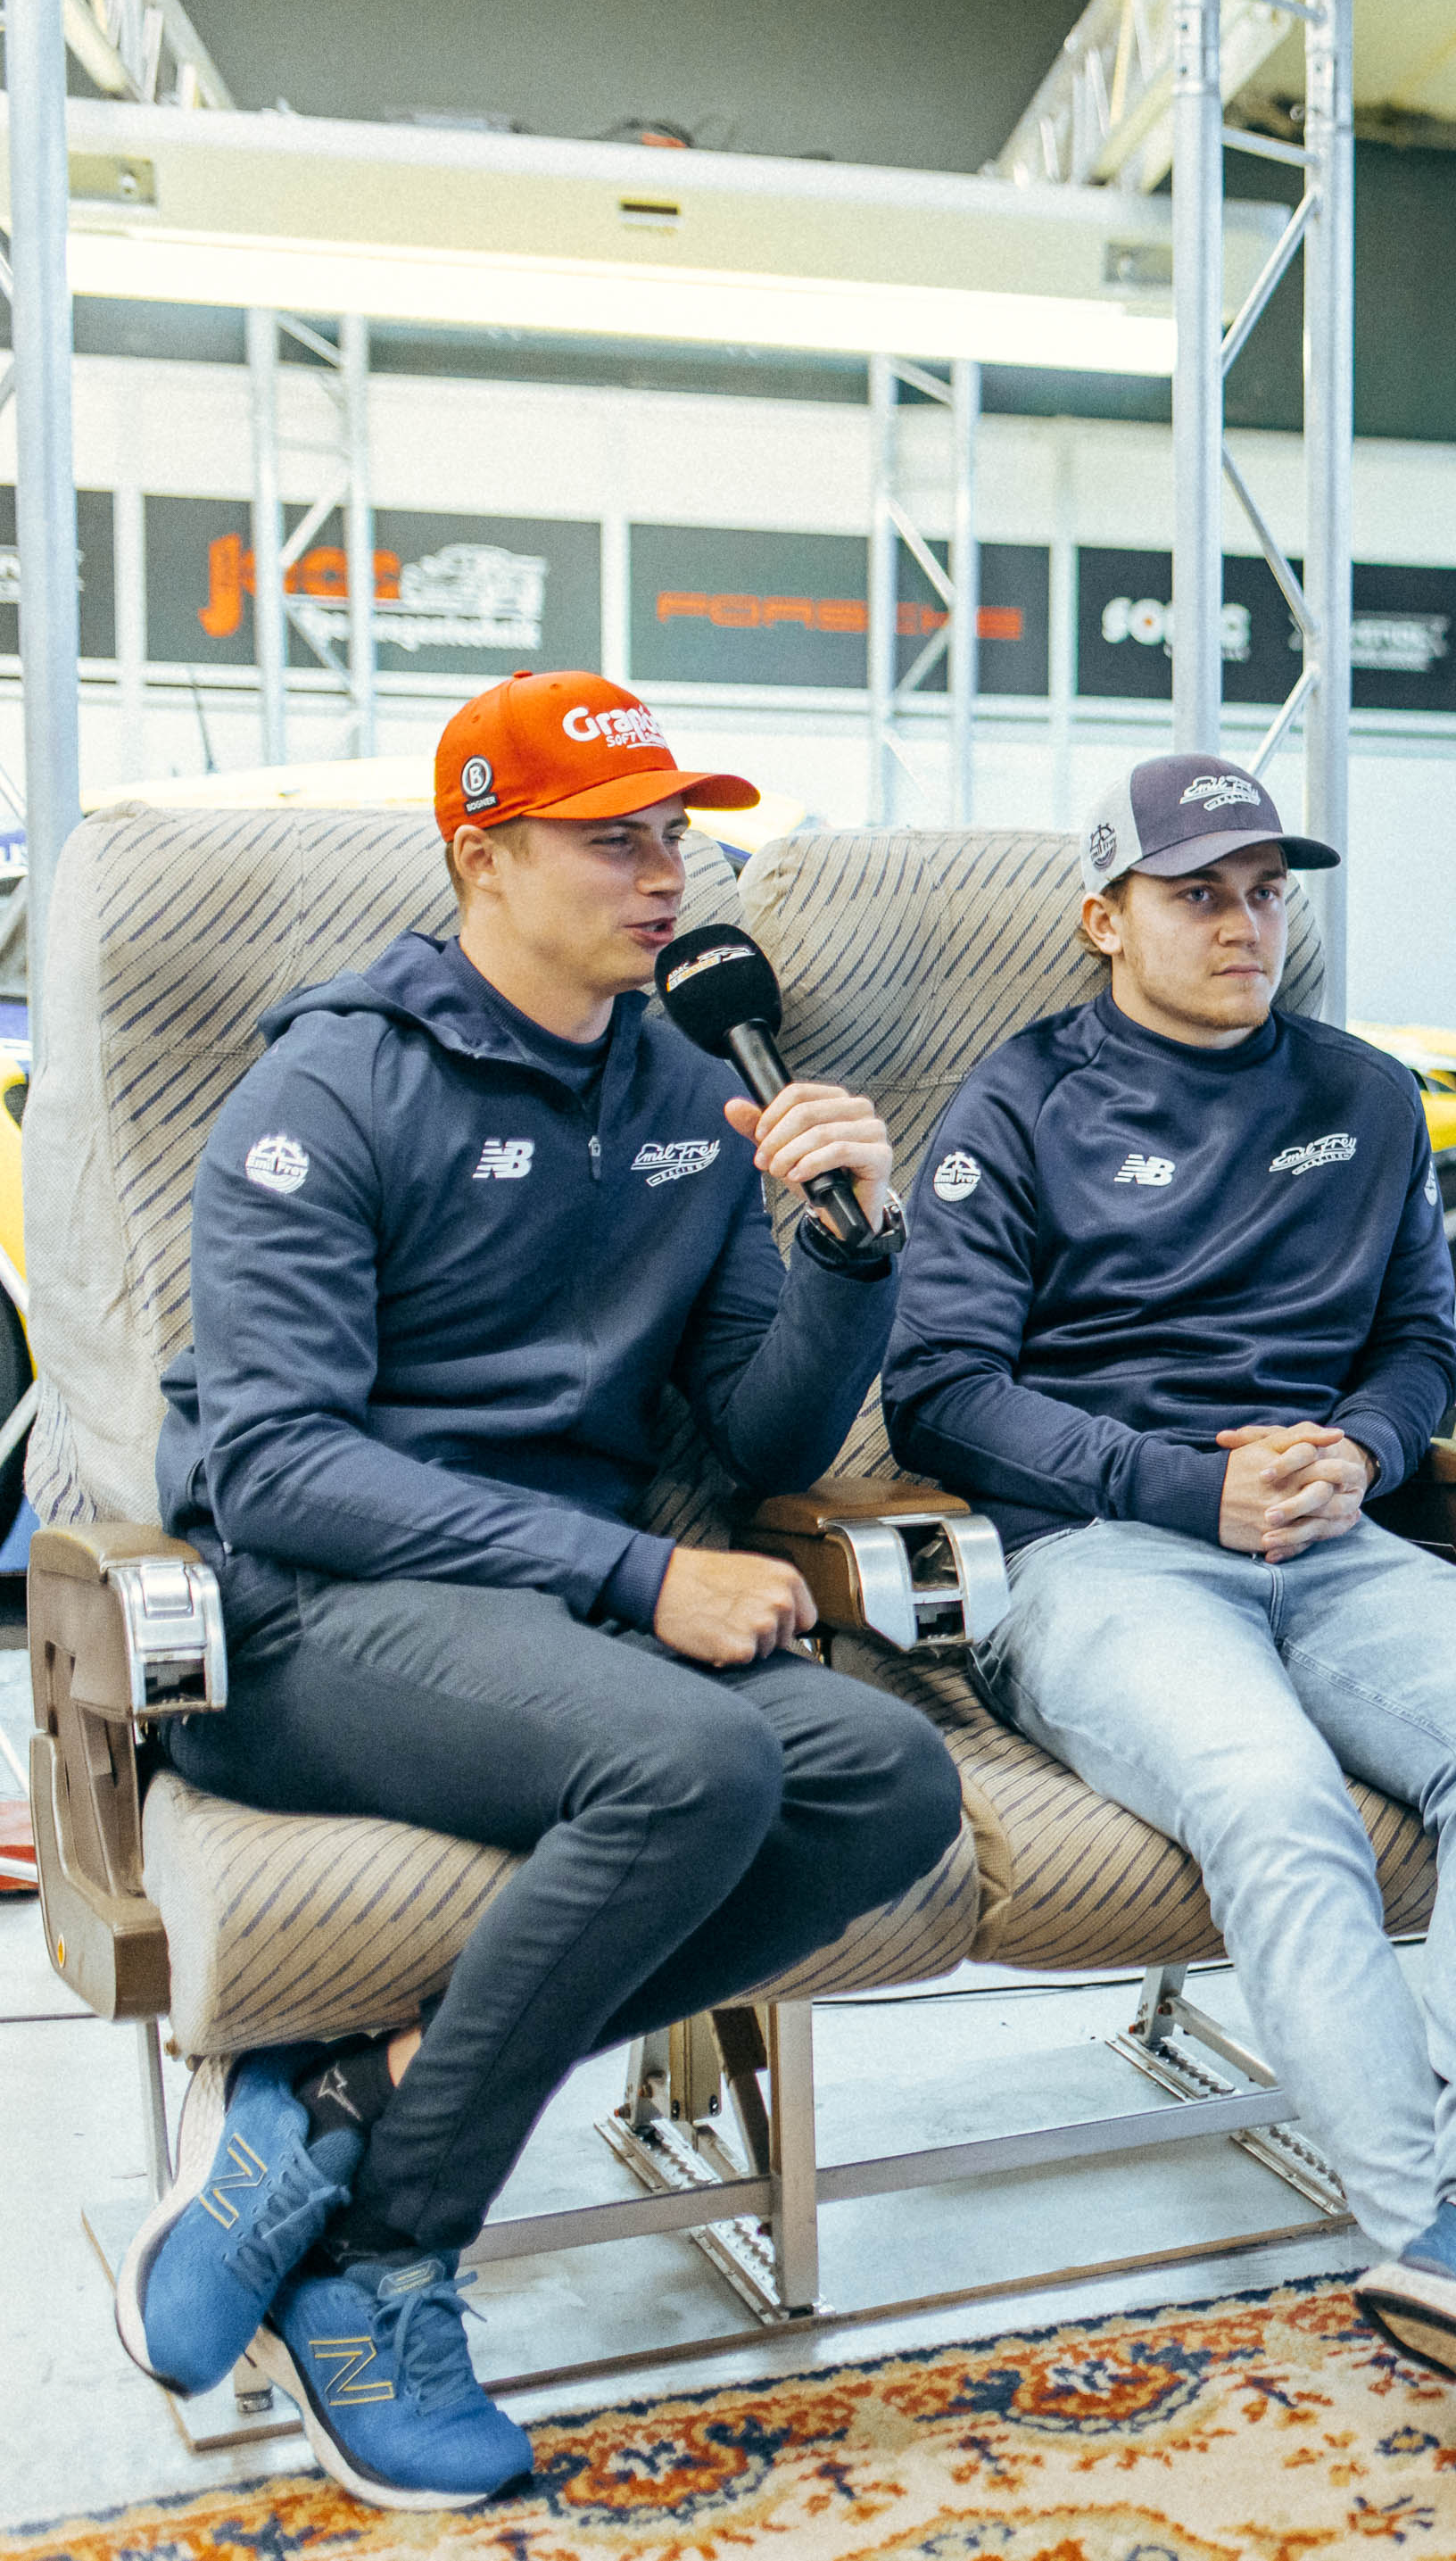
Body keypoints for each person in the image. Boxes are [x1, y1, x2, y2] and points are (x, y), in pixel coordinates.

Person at [120, 672, 961, 2510]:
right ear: (480, 854)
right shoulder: (327, 1084)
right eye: (612, 839)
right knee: (696, 1761)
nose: (664, 874)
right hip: (305, 1614)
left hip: (550, 1627)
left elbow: (756, 1430)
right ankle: (385, 2262)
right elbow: (276, 1468)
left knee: (891, 1778)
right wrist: (636, 1571)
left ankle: (335, 2102)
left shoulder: (684, 1089)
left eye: (677, 836)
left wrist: (852, 1250)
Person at [879, 755, 1456, 2538]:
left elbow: (1421, 1345)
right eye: (1198, 889)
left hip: (1337, 1542)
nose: (1244, 920)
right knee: (1276, 1796)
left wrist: (1367, 1447)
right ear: (1104, 914)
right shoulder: (1017, 1100)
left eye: (1267, 887)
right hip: (1102, 1555)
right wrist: (1183, 1482)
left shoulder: (1365, 1094)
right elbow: (940, 1390)